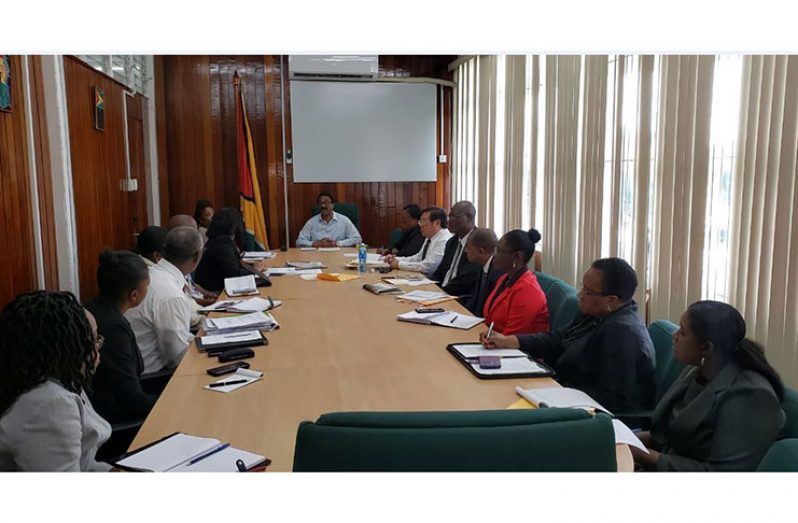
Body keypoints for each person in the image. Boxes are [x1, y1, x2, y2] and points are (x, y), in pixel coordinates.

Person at [482, 257, 655, 414]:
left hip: (589, 414)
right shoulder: (597, 313)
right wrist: (511, 341)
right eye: (582, 287)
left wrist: (553, 393)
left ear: (611, 300)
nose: (580, 294)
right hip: (562, 392)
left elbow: (613, 400)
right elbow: (558, 339)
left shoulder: (622, 334)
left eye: (588, 291)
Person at [631, 301, 785, 472]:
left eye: (682, 332)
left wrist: (641, 454)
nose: (674, 336)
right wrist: (625, 440)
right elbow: (664, 434)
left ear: (706, 347)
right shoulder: (697, 369)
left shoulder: (750, 396)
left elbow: (722, 473)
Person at [0, 291, 111, 471]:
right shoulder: (50, 404)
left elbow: (84, 462)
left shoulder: (41, 378)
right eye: (93, 340)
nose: (98, 351)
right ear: (66, 348)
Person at [85, 251, 157, 424]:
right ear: (134, 295)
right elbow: (132, 398)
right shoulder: (113, 328)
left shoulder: (93, 309)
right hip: (117, 420)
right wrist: (172, 403)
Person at [126, 226, 203, 373]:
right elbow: (177, 357)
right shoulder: (171, 294)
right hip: (156, 378)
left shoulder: (151, 274)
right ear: (196, 256)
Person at [480, 229, 548, 334]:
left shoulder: (527, 292)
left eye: (499, 250)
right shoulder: (505, 279)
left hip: (515, 348)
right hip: (493, 341)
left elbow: (512, 338)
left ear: (517, 257)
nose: (494, 255)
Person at [194, 208, 269, 293]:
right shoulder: (221, 244)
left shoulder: (218, 240)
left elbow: (232, 265)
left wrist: (252, 266)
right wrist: (255, 270)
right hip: (214, 292)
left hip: (217, 287)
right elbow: (233, 273)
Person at [383, 207, 453, 277]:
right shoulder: (429, 237)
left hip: (436, 282)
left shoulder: (444, 240)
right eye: (420, 222)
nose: (420, 225)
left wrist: (399, 264)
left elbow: (427, 267)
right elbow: (418, 258)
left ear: (437, 223)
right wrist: (395, 259)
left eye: (423, 222)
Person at [431, 201, 481, 297]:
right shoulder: (451, 242)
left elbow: (466, 280)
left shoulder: (477, 242)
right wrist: (428, 287)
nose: (449, 220)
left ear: (469, 218)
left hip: (461, 297)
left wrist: (440, 293)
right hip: (442, 294)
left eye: (454, 216)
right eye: (449, 216)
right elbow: (440, 272)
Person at [296, 192, 362, 247]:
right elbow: (299, 242)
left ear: (333, 205)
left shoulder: (344, 220)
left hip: (338, 255)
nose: (323, 206)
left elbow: (357, 239)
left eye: (326, 202)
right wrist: (315, 243)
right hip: (317, 256)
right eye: (321, 203)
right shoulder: (311, 222)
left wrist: (337, 243)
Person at [462, 228, 501, 316]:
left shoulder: (498, 273)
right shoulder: (481, 264)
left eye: (468, 246)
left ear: (481, 250)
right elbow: (476, 299)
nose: (465, 250)